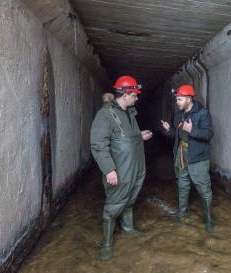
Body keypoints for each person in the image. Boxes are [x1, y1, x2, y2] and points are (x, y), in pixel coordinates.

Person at [90, 75, 153, 260]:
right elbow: (98, 144)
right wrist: (109, 169)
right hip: (120, 168)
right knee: (114, 204)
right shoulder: (105, 114)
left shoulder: (129, 112)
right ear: (125, 94)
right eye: (134, 94)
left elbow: (124, 136)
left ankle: (127, 228)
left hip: (136, 166)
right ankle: (107, 243)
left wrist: (139, 135)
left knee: (130, 198)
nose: (137, 98)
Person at [160, 84, 215, 232]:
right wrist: (168, 130)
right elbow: (176, 135)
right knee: (182, 183)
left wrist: (192, 130)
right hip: (181, 154)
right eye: (177, 99)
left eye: (180, 99)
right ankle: (182, 212)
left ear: (189, 99)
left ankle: (209, 219)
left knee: (204, 188)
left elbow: (209, 134)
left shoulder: (202, 113)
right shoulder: (179, 114)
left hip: (198, 157)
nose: (177, 102)